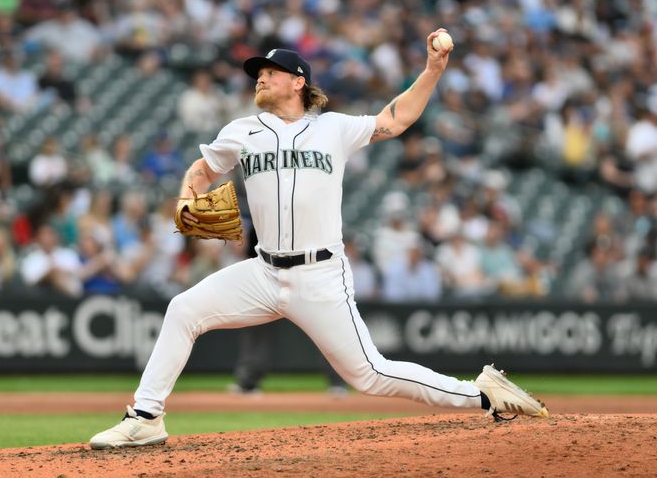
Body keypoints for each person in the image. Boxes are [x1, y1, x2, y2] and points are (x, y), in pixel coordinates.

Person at [90, 35, 548, 450]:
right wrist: (190, 190)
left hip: (320, 276)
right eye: (258, 74)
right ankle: (146, 417)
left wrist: (432, 70)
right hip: (263, 271)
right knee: (183, 310)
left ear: (297, 82)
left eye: (269, 73)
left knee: (369, 375)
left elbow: (398, 118)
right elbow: (204, 167)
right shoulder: (241, 131)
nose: (261, 79)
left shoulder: (333, 128)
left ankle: (482, 394)